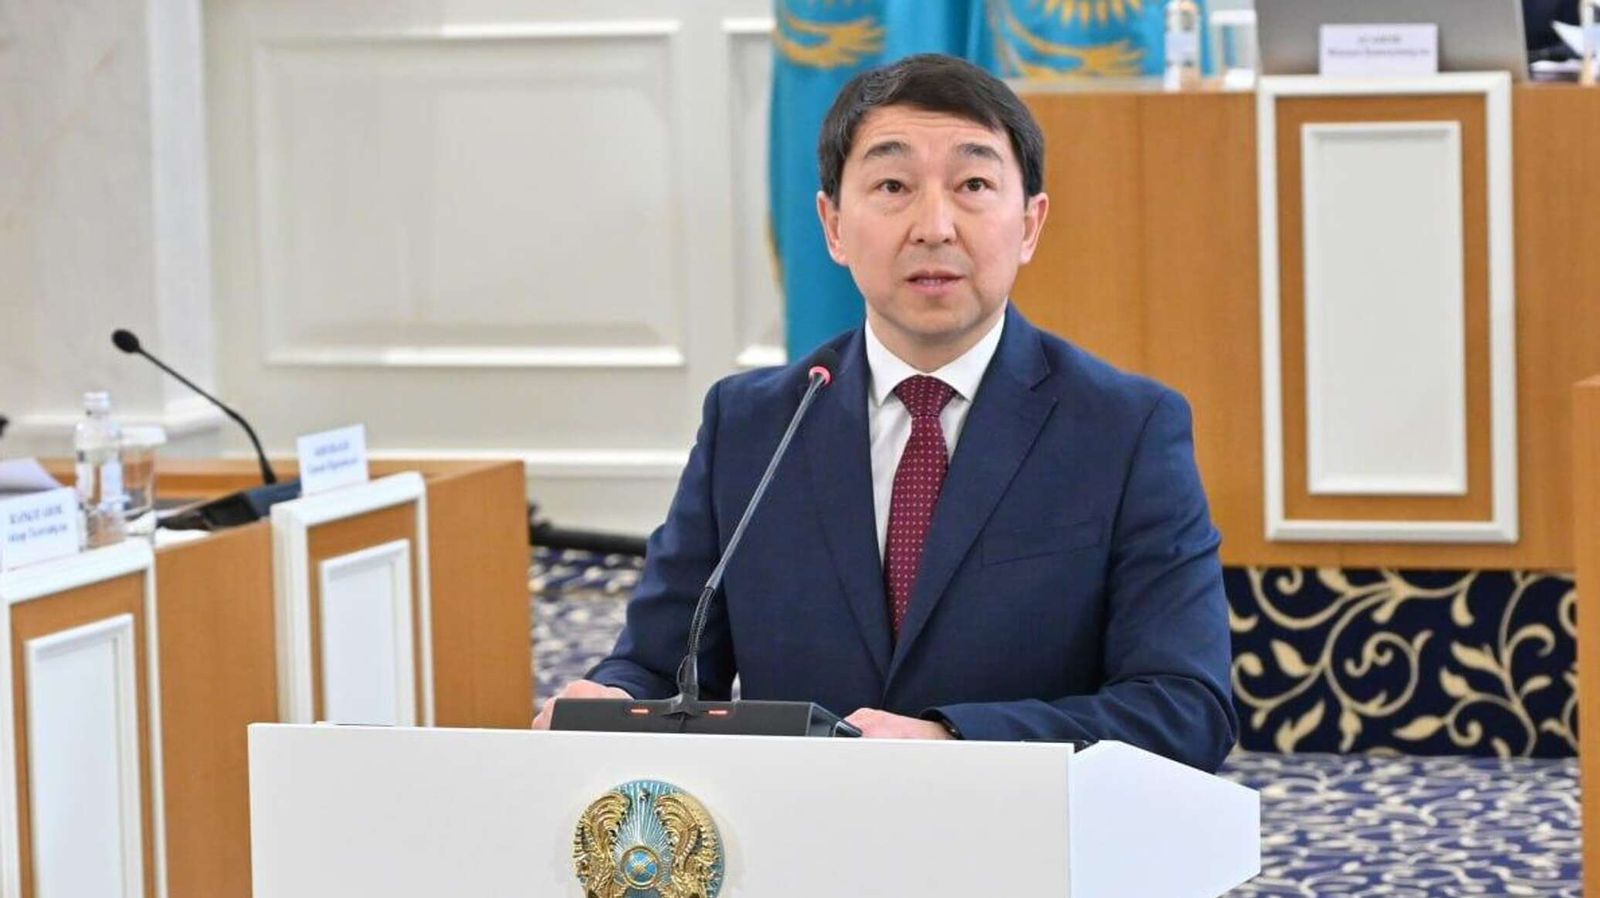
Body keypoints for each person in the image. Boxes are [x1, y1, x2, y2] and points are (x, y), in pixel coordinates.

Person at [534, 53, 1238, 772]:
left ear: (1030, 224)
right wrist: (612, 702)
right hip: (798, 829)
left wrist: (952, 742)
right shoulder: (751, 427)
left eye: (973, 185)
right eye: (893, 186)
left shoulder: (1126, 429)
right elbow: (661, 667)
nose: (934, 226)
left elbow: (1185, 707)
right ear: (834, 225)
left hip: (1021, 831)